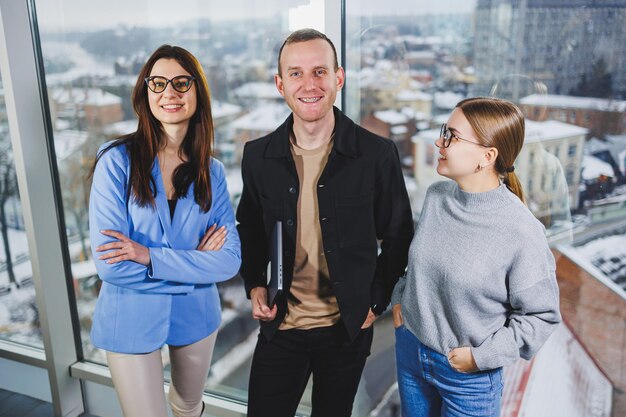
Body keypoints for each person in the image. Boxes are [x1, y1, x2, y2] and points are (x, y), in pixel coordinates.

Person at [236, 28, 413, 417]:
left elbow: (399, 236)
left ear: (339, 78)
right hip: (282, 326)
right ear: (281, 84)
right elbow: (248, 227)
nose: (309, 84)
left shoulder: (376, 155)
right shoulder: (257, 156)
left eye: (320, 71)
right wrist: (253, 285)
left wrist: (376, 300)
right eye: (296, 73)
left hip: (347, 329)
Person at [89, 45, 241, 417]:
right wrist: (194, 267)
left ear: (197, 92)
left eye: (180, 83)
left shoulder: (213, 171)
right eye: (157, 83)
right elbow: (112, 266)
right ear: (145, 94)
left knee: (189, 406)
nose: (169, 92)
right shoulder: (116, 161)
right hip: (130, 317)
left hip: (196, 315)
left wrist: (149, 256)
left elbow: (229, 261)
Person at [391, 97, 562, 417]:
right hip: (411, 353)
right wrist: (400, 300)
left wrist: (480, 358)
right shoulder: (436, 197)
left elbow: (542, 317)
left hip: (467, 378)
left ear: (487, 156)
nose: (439, 141)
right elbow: (417, 266)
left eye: (452, 136)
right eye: (444, 131)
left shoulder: (522, 231)